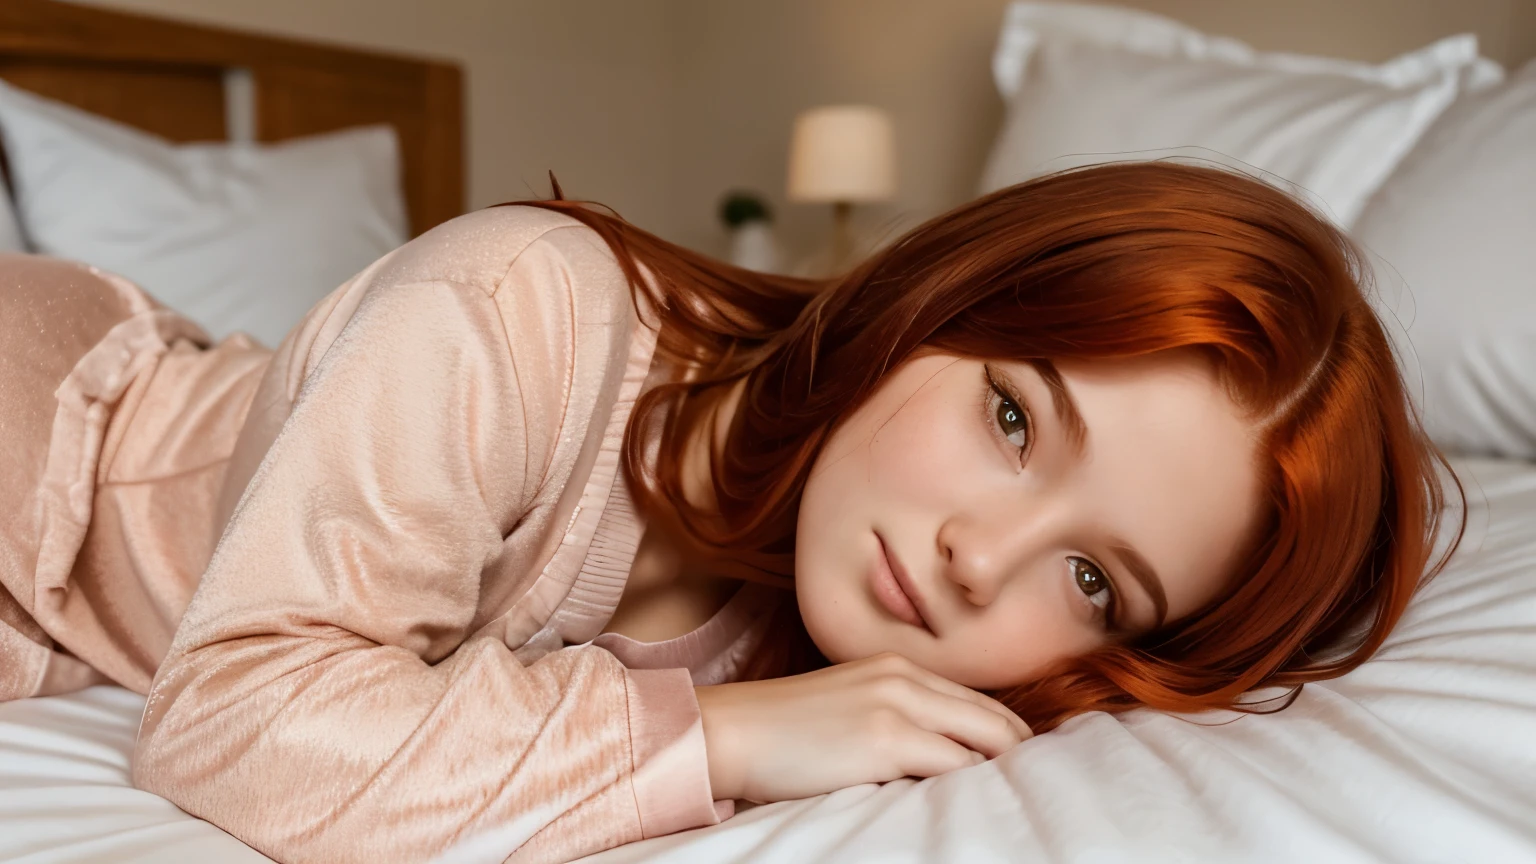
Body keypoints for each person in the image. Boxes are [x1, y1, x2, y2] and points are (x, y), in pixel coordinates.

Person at [0, 161, 1461, 864]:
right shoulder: (520, 309)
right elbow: (233, 721)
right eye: (1012, 417)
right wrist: (718, 738)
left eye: (1094, 583)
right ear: (924, 306)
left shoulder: (848, 610)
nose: (978, 557)